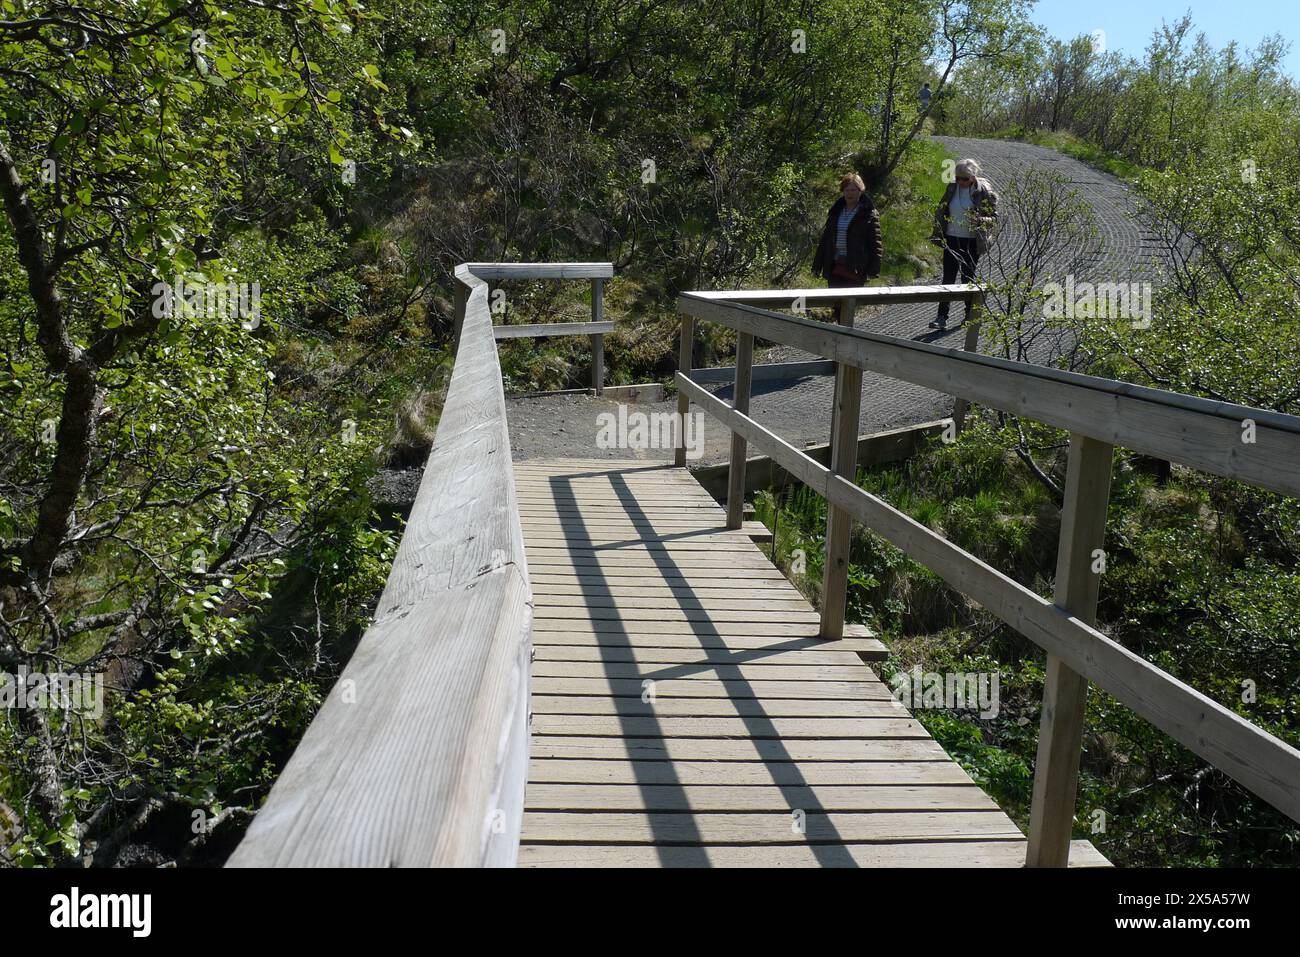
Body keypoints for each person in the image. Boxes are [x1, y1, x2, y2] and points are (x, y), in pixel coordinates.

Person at [929, 158, 998, 330]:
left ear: (974, 177)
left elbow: (995, 218)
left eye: (965, 178)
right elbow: (942, 208)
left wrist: (980, 220)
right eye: (958, 178)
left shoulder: (984, 191)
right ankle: (941, 317)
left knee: (967, 278)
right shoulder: (952, 188)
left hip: (972, 241)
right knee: (947, 279)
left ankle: (969, 315)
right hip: (951, 238)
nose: (961, 182)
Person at [812, 172, 883, 322]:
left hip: (855, 267)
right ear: (843, 192)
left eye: (853, 190)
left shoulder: (868, 214)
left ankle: (846, 336)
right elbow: (826, 240)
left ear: (860, 191)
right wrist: (817, 265)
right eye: (847, 190)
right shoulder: (836, 212)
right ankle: (842, 335)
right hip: (835, 266)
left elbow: (875, 243)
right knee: (837, 305)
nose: (850, 193)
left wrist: (873, 270)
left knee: (848, 305)